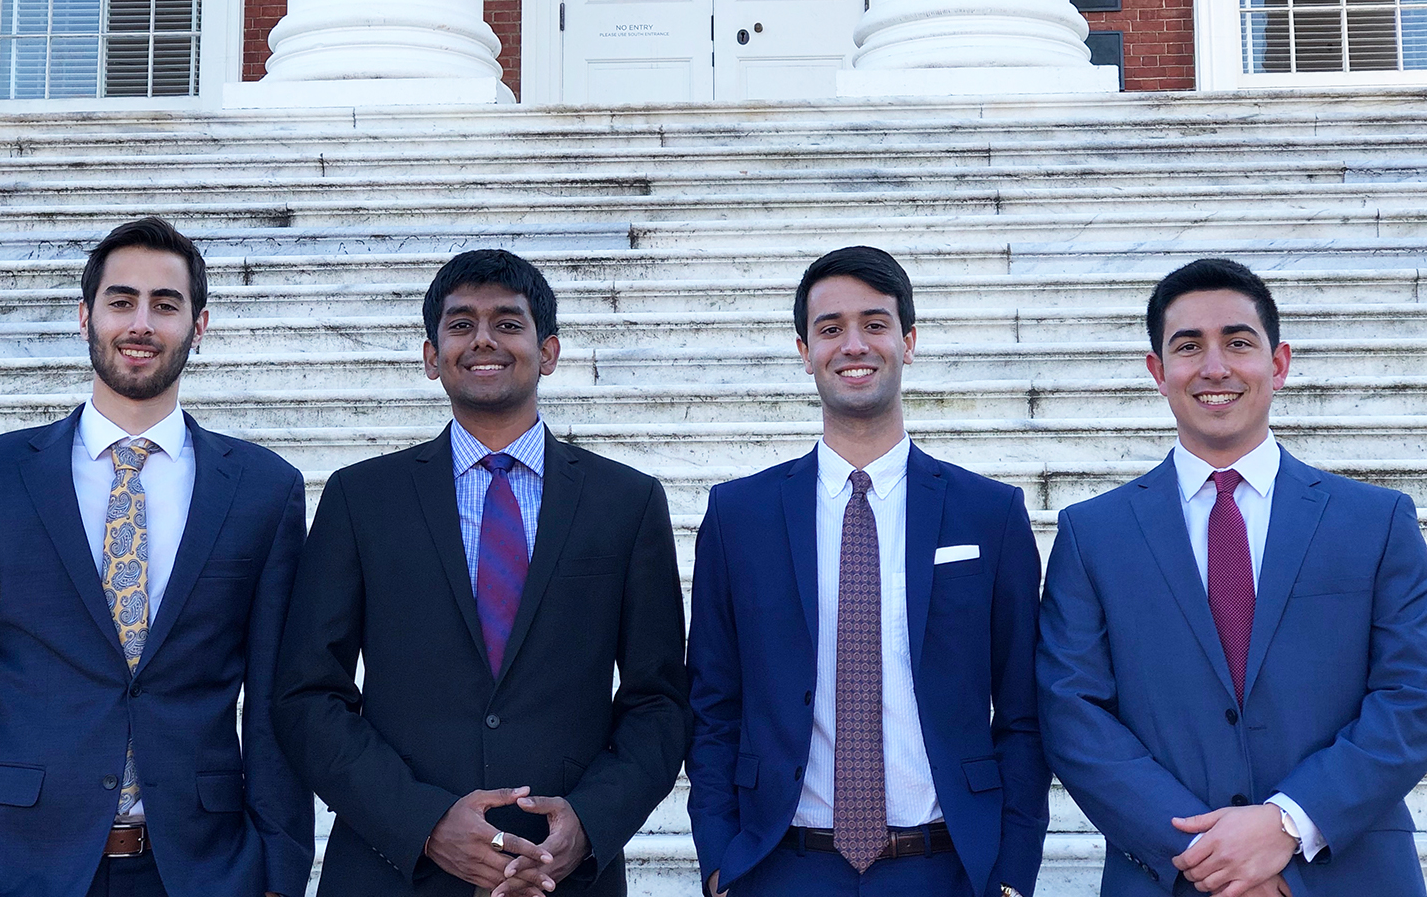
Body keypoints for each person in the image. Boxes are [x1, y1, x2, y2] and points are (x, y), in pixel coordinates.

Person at [272, 248, 689, 897]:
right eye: (461, 324)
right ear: (431, 355)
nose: (484, 339)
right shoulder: (362, 500)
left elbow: (658, 701)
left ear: (548, 352)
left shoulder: (626, 504)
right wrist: (425, 822)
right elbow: (307, 694)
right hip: (393, 872)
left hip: (563, 877)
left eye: (508, 322)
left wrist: (587, 823)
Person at [0, 217, 314, 897]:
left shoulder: (263, 490)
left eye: (166, 305)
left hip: (200, 868)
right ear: (86, 316)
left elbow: (277, 700)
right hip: (12, 865)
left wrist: (277, 868)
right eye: (121, 300)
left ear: (199, 327)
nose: (141, 322)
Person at [1037, 258, 1427, 897]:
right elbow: (1072, 713)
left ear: (1279, 363)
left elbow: (1411, 695)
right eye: (1188, 347)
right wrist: (1208, 857)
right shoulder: (1092, 534)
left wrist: (1287, 825)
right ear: (1157, 373)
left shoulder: (1376, 521)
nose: (1214, 367)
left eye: (1238, 343)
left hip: (1347, 872)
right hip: (1170, 878)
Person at [686, 246, 1049, 897]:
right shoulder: (739, 516)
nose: (853, 344)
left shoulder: (989, 514)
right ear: (804, 351)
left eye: (875, 324)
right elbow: (713, 704)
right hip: (781, 868)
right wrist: (719, 859)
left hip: (947, 869)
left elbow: (1022, 712)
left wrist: (1012, 874)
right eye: (830, 329)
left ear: (909, 342)